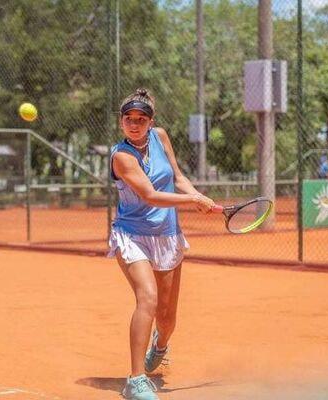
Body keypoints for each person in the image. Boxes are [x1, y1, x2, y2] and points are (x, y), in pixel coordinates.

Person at [107, 88, 215, 400]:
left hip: (167, 234)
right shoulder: (121, 156)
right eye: (129, 119)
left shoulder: (161, 137)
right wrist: (192, 200)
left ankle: (160, 344)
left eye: (141, 119)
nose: (135, 124)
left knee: (167, 319)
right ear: (121, 122)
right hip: (132, 234)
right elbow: (150, 196)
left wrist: (198, 194)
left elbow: (178, 177)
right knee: (148, 298)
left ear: (151, 122)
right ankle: (136, 380)